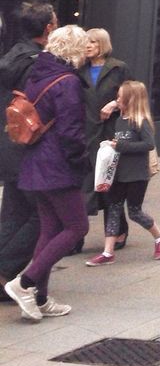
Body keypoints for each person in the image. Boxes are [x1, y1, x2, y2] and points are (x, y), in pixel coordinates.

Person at [4, 25, 88, 321]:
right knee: (77, 228)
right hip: (58, 166)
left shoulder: (38, 74)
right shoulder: (68, 82)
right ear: (74, 49)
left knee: (50, 228)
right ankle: (25, 283)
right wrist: (81, 162)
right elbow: (71, 132)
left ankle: (40, 298)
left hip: (34, 162)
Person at [0, 3, 57, 295]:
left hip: (7, 147)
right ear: (48, 28)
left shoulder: (11, 57)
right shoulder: (38, 63)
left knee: (12, 214)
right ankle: (6, 272)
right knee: (46, 215)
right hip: (29, 150)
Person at [85, 81, 160, 265]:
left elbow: (148, 144)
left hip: (137, 175)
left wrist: (121, 145)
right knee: (113, 209)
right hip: (119, 174)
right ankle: (108, 252)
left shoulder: (140, 121)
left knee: (134, 212)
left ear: (130, 100)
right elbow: (119, 143)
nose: (117, 100)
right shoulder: (119, 121)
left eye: (120, 97)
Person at [78, 28, 131, 246]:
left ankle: (118, 230)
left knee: (109, 185)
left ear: (102, 45)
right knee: (82, 187)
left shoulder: (118, 68)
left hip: (109, 135)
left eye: (93, 42)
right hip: (84, 136)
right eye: (86, 42)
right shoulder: (78, 70)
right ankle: (75, 236)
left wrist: (115, 104)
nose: (88, 45)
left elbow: (135, 93)